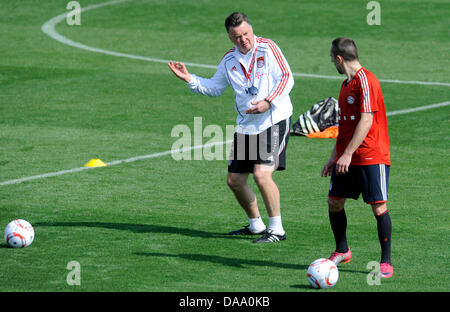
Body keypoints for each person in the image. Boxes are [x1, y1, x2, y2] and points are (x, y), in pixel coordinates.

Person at [168, 12, 294, 243]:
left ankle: (277, 229)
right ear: (230, 37)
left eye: (246, 33)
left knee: (261, 174)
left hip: (273, 120)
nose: (243, 39)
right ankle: (256, 226)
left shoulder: (268, 48)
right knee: (235, 180)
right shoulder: (229, 61)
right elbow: (215, 88)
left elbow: (286, 77)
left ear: (251, 29)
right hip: (247, 126)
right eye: (237, 37)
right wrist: (189, 79)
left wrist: (268, 101)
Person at [321, 37, 393, 278]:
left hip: (372, 156)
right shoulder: (345, 85)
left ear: (339, 59)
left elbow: (367, 119)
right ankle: (342, 250)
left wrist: (348, 154)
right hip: (346, 157)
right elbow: (345, 127)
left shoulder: (366, 80)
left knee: (378, 206)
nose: (333, 63)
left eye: (332, 59)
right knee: (334, 201)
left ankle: (385, 261)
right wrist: (335, 156)